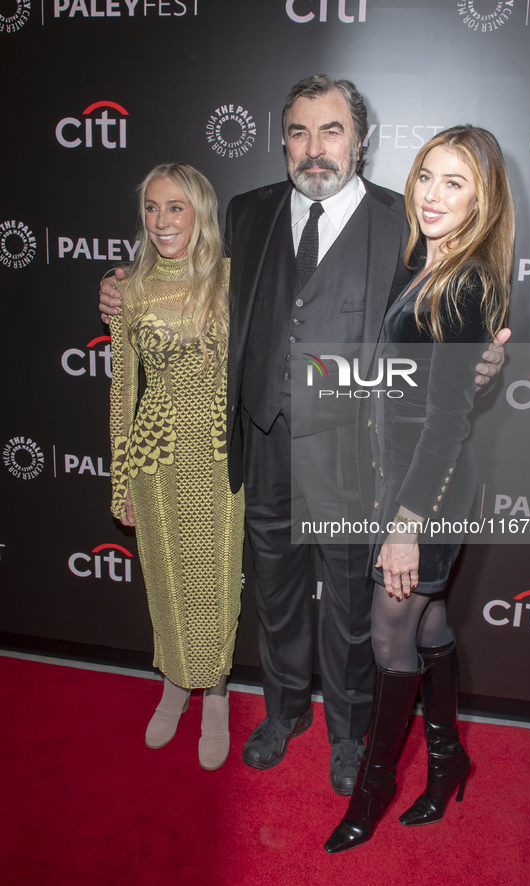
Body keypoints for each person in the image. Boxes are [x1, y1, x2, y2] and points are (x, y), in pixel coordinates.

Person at [100, 75, 508, 794]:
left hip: (355, 455)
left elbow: (437, 320)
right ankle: (283, 711)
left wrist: (480, 361)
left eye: (330, 131)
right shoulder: (248, 210)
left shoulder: (402, 222)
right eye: (298, 132)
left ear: (360, 140)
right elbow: (192, 277)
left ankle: (349, 733)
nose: (313, 148)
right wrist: (124, 287)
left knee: (353, 609)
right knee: (277, 594)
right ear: (281, 139)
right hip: (261, 442)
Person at [325, 125, 514, 852]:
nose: (432, 195)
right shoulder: (422, 258)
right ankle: (447, 762)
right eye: (426, 176)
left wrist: (403, 527)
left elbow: (443, 425)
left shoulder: (464, 282)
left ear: (481, 200)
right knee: (427, 626)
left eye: (454, 183)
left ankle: (372, 792)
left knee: (388, 635)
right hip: (401, 483)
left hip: (424, 493)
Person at [109, 163, 244, 771]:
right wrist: (121, 482)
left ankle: (214, 692)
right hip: (155, 457)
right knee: (163, 580)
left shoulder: (232, 280)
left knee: (214, 581)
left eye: (176, 208)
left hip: (219, 455)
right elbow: (121, 394)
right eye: (152, 208)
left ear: (200, 214)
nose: (162, 221)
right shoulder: (129, 289)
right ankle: (172, 681)